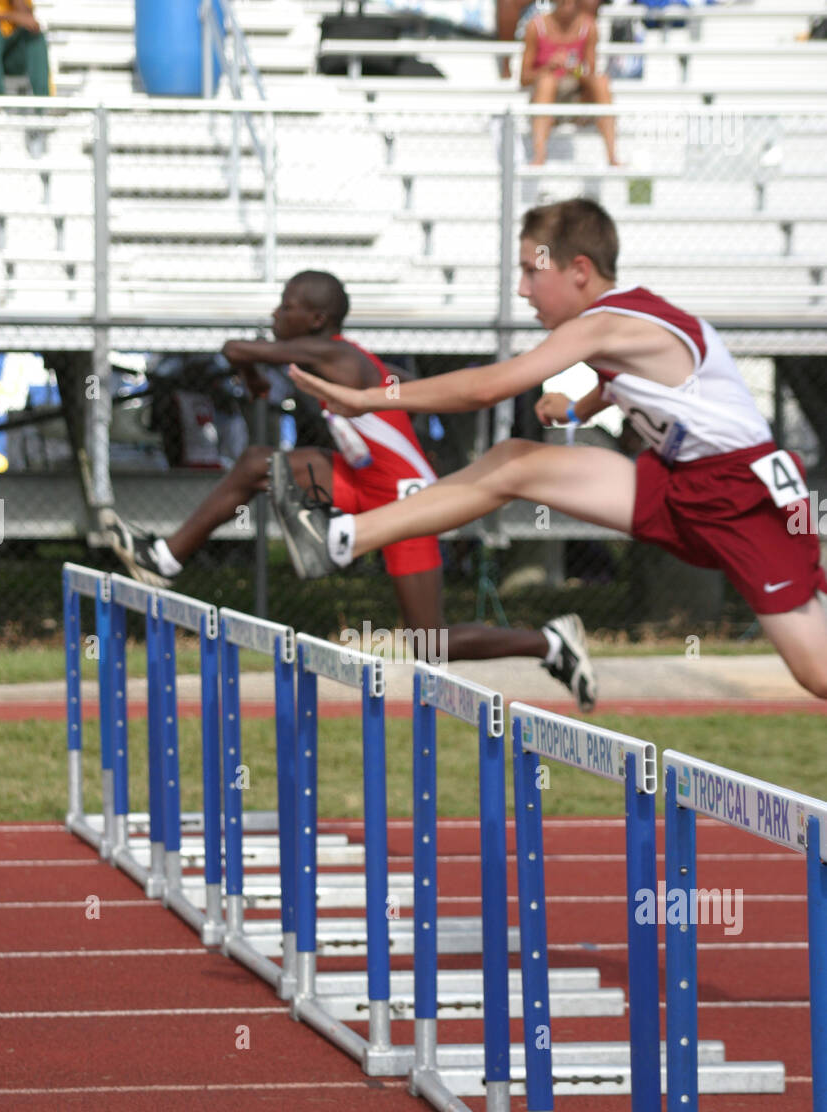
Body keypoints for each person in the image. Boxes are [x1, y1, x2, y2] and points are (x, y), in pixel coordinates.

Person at [273, 199, 827, 702]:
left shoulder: (607, 323)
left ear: (579, 270)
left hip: (743, 498)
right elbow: (647, 385)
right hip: (678, 481)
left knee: (816, 673)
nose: (522, 289)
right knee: (516, 461)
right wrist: (575, 410)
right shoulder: (630, 320)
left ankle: (346, 537)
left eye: (531, 271)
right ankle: (344, 538)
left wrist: (371, 397)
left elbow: (488, 386)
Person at [101, 270, 598, 710]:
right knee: (257, 463)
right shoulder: (343, 356)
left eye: (287, 306)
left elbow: (236, 349)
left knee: (431, 645)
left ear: (316, 319)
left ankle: (551, 644)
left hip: (408, 502)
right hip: (361, 480)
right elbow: (403, 385)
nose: (276, 312)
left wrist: (251, 371)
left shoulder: (333, 352)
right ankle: (164, 560)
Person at [520, 0, 619, 165]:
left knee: (602, 82)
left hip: (576, 96)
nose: (569, 4)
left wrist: (575, 69)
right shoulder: (535, 26)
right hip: (545, 96)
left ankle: (612, 157)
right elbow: (524, 78)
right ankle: (539, 156)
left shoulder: (589, 27)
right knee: (547, 82)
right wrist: (549, 67)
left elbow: (591, 75)